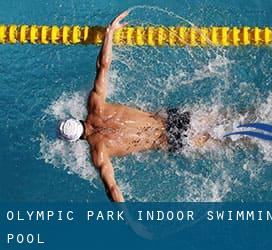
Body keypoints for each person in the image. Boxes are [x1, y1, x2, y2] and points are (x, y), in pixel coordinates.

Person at [58, 11, 210, 202]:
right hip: (172, 118)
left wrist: (129, 221)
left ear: (76, 140)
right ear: (76, 119)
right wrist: (109, 33)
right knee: (226, 118)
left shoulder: (99, 152)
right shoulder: (95, 105)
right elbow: (103, 66)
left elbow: (112, 189)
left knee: (228, 141)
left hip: (171, 140)